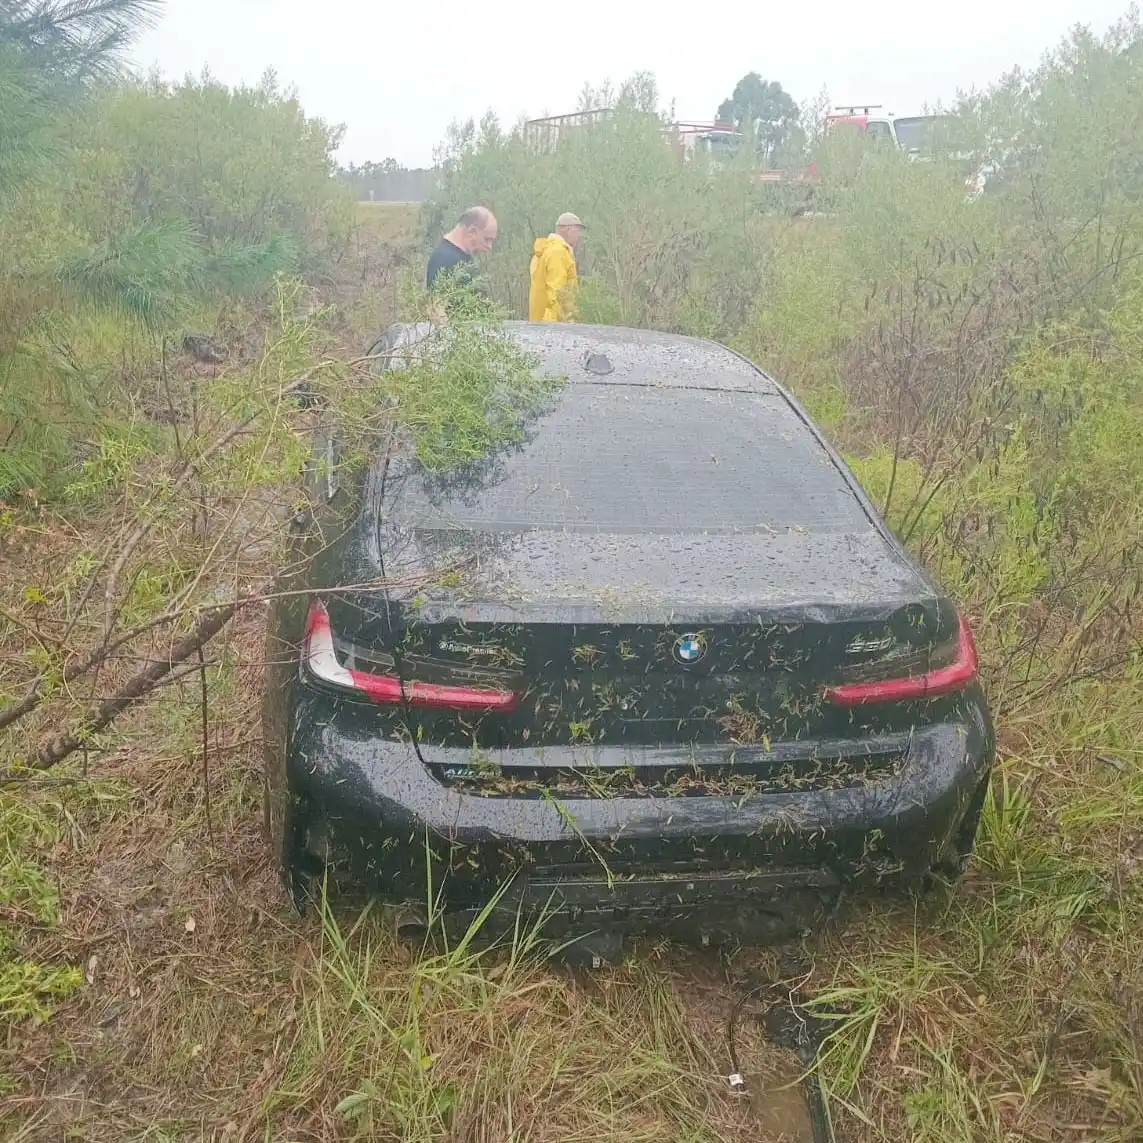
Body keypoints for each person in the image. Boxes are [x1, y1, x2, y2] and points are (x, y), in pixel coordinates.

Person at [529, 212, 584, 322]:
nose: (579, 235)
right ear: (568, 230)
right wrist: (565, 322)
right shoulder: (558, 252)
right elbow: (557, 293)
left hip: (539, 321)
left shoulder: (546, 250)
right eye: (578, 230)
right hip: (553, 324)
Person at [426, 206, 498, 291]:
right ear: (471, 231)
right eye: (487, 239)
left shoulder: (462, 256)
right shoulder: (444, 260)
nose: (489, 246)